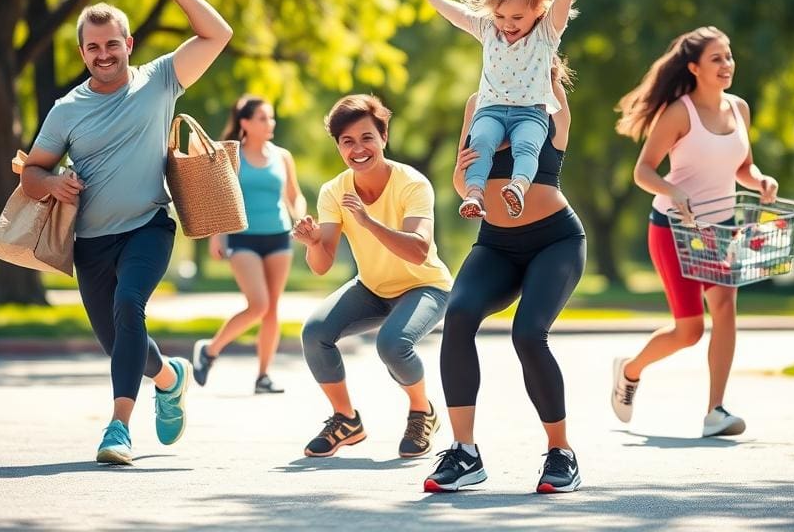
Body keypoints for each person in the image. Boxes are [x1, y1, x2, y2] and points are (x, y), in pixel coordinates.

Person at [22, 0, 233, 465]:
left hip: (149, 225)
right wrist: (53, 182)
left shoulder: (160, 79)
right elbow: (31, 173)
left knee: (129, 304)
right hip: (91, 242)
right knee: (118, 339)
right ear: (82, 53)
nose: (103, 55)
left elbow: (218, 33)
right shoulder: (65, 109)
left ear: (129, 44)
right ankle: (170, 377)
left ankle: (118, 427)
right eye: (93, 47)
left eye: (111, 44)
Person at [424, 65, 588, 494]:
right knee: (457, 315)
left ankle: (561, 453)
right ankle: (465, 453)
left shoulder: (548, 100)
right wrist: (463, 173)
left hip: (556, 241)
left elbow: (547, 25)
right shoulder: (477, 104)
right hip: (496, 242)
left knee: (529, 334)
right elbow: (463, 183)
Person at [611, 26, 779, 437]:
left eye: (729, 56)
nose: (727, 65)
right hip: (674, 227)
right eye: (716, 59)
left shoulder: (738, 108)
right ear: (694, 68)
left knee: (725, 309)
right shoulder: (678, 112)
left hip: (721, 227)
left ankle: (715, 411)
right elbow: (643, 170)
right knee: (689, 330)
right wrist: (672, 189)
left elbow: (742, 165)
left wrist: (759, 181)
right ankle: (630, 371)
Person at [292, 94, 451, 458]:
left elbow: (419, 249)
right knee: (315, 333)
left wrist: (367, 221)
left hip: (425, 286)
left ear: (384, 137)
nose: (358, 148)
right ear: (338, 146)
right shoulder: (335, 190)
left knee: (393, 345)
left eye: (366, 138)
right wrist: (313, 241)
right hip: (373, 288)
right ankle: (346, 420)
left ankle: (421, 411)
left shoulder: (412, 183)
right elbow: (322, 264)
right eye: (347, 141)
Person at [424, 0, 579, 220]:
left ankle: (518, 187)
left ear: (538, 10)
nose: (507, 25)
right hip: (490, 111)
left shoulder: (546, 34)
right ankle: (474, 194)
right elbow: (459, 15)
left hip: (530, 113)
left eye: (517, 18)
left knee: (527, 146)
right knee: (480, 142)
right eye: (500, 16)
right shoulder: (488, 30)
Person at [192, 95, 306, 393]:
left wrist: (302, 217)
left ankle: (263, 376)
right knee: (259, 304)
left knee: (272, 310)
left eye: (271, 117)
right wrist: (217, 234)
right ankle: (210, 350)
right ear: (245, 123)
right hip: (242, 237)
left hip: (279, 236)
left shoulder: (282, 156)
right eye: (263, 118)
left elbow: (295, 195)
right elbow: (218, 198)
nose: (271, 123)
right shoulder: (231, 155)